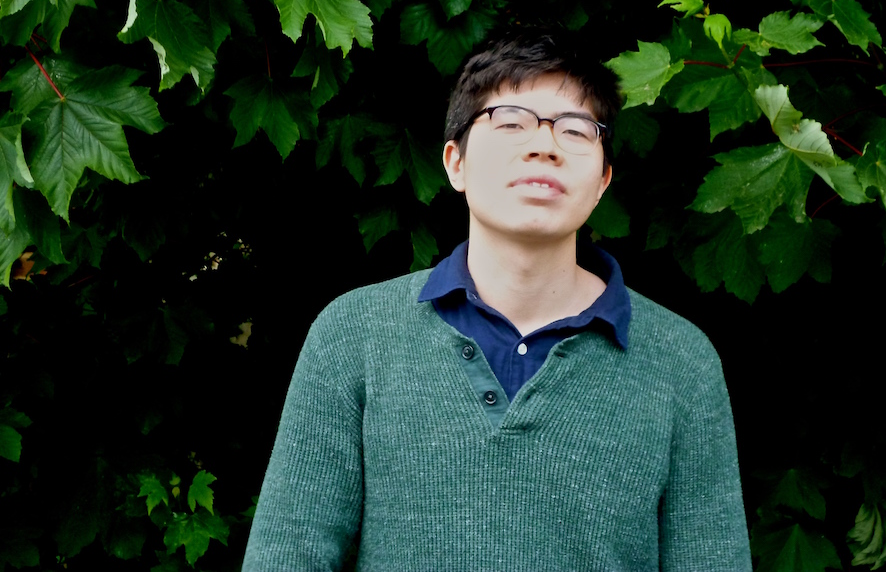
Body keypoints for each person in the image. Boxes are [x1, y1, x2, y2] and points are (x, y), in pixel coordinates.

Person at [242, 30, 752, 571]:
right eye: (510, 122)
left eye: (575, 129)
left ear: (603, 179)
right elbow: (288, 555)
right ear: (454, 162)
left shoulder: (680, 359)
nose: (544, 145)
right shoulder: (353, 334)